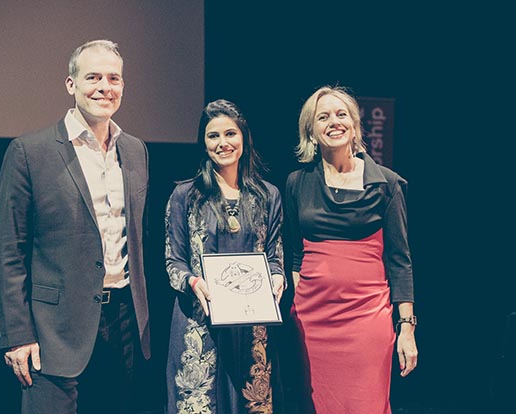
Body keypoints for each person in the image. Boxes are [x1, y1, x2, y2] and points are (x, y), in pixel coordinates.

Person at [0, 39, 151, 414]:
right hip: (53, 331)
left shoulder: (136, 151)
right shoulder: (30, 152)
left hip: (124, 321)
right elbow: (7, 250)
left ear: (123, 86)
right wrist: (17, 335)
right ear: (71, 84)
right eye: (93, 77)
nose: (104, 87)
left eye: (113, 78)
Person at [285, 85, 418, 413]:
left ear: (356, 126)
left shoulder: (386, 185)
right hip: (312, 323)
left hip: (366, 319)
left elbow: (400, 261)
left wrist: (407, 328)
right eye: (323, 117)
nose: (334, 121)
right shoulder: (296, 183)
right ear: (311, 131)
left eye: (341, 114)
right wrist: (303, 297)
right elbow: (294, 254)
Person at [164, 99, 286, 414]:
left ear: (244, 138)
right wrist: (192, 282)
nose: (223, 143)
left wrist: (276, 277)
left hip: (250, 325)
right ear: (203, 143)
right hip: (198, 323)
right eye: (213, 136)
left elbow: (274, 254)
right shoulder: (186, 195)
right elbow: (173, 261)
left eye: (230, 134)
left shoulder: (267, 195)